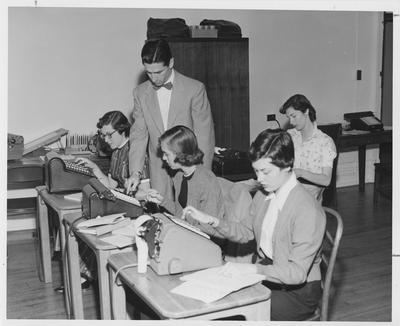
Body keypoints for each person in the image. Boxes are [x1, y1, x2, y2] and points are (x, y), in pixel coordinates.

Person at [182, 129, 326, 321]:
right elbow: (245, 232)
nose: (259, 179)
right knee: (215, 304)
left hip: (297, 291)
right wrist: (211, 220)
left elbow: (297, 273)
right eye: (256, 171)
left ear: (287, 165)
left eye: (265, 171)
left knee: (233, 312)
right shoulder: (263, 195)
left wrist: (252, 271)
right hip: (268, 273)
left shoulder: (308, 210)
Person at [125, 39, 215, 205]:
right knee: (162, 212)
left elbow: (204, 136)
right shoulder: (140, 93)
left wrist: (202, 174)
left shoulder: (194, 89)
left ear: (171, 63)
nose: (153, 78)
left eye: (158, 72)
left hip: (189, 164)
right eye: (149, 73)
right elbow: (139, 134)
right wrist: (135, 172)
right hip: (159, 165)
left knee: (191, 213)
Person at [54, 110, 134, 293]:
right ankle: (80, 274)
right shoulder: (116, 151)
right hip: (118, 201)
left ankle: (83, 276)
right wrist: (96, 169)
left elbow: (130, 192)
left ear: (123, 131)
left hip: (127, 207)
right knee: (77, 222)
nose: (105, 139)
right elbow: (113, 183)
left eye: (109, 135)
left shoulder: (133, 151)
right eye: (102, 135)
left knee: (84, 224)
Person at [146, 125, 224, 240]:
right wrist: (163, 201)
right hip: (187, 234)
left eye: (166, 154)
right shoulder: (179, 175)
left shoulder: (207, 181)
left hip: (204, 242)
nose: (163, 158)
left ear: (180, 154)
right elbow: (181, 214)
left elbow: (210, 229)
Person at [279, 94, 337, 202]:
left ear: (306, 111)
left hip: (309, 198)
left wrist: (300, 172)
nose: (291, 122)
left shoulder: (325, 142)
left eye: (294, 116)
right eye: (289, 118)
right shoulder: (290, 136)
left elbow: (326, 180)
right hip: (288, 188)